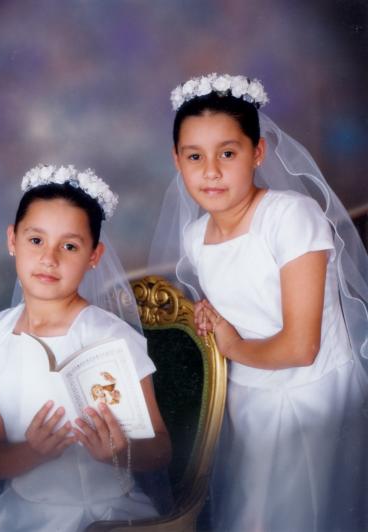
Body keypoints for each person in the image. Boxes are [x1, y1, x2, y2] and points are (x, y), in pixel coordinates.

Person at [149, 74, 368, 531]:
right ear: (177, 160)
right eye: (195, 156)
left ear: (258, 153)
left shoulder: (290, 217)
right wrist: (210, 317)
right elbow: (235, 300)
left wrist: (229, 345)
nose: (211, 170)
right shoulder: (195, 238)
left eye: (228, 153)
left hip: (312, 395)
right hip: (248, 399)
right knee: (251, 515)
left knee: (302, 513)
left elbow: (300, 347)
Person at [0, 165, 171, 531]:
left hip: (102, 515)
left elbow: (159, 450)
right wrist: (33, 452)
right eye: (36, 240)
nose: (50, 258)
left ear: (94, 255)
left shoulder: (111, 338)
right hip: (20, 511)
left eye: (70, 245)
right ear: (12, 240)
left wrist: (118, 453)